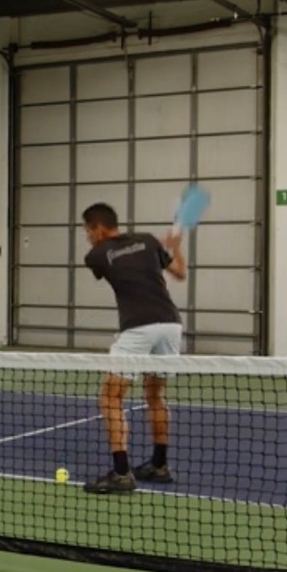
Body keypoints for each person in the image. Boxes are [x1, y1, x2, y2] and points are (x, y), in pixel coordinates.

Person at [80, 203, 186, 495]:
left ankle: (122, 473)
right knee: (155, 395)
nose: (87, 236)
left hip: (138, 327)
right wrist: (175, 246)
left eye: (88, 230)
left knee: (110, 398)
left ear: (99, 227)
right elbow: (179, 272)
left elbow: (120, 271)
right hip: (170, 324)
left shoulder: (96, 255)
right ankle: (160, 466)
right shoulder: (149, 241)